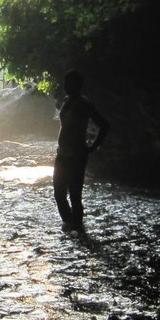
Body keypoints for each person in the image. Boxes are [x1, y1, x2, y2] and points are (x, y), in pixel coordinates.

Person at [53, 69, 110, 230]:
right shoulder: (66, 100)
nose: (65, 87)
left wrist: (93, 147)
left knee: (74, 196)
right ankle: (69, 225)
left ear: (78, 85)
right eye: (65, 84)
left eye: (69, 84)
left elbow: (105, 125)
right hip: (62, 154)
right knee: (59, 195)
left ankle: (77, 229)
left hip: (76, 157)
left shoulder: (84, 104)